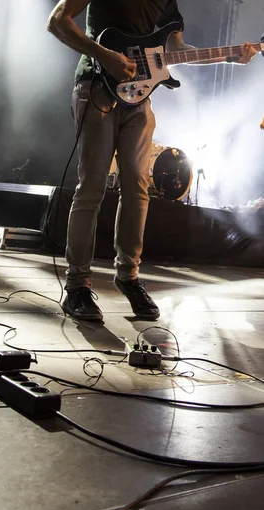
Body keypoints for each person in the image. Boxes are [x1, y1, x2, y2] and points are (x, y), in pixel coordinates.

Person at [47, 0, 256, 322]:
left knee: (138, 190)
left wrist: (227, 56)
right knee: (91, 187)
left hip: (140, 98)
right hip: (97, 86)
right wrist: (105, 55)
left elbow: (177, 49)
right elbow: (58, 21)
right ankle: (77, 285)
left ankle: (128, 277)